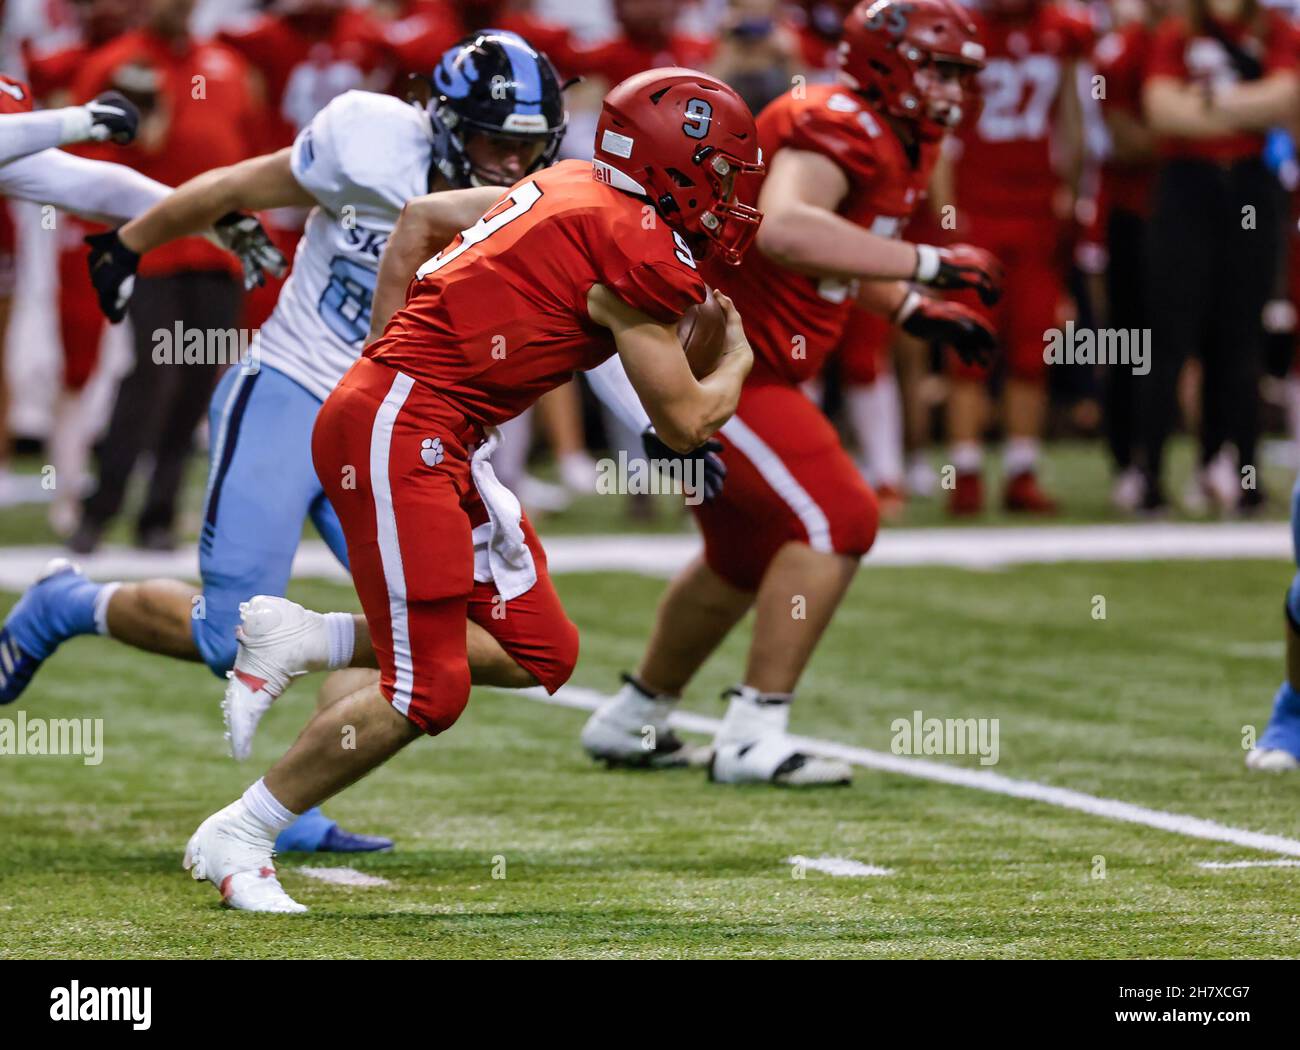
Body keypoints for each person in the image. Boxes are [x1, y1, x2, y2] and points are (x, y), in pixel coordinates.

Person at [181, 66, 761, 913]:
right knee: (432, 690)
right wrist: (740, 354)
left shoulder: (572, 185)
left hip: (433, 428)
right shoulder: (633, 239)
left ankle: (311, 638)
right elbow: (685, 424)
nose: (732, 193)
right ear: (678, 163)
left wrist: (389, 358)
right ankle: (242, 829)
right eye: (722, 172)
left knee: (543, 652)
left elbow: (419, 221)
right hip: (405, 426)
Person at [0, 32, 569, 853]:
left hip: (405, 430)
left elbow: (603, 326)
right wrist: (134, 242)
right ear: (444, 124)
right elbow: (238, 183)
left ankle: (295, 796)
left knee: (508, 644)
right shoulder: (367, 141)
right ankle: (67, 606)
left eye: (529, 148)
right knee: (227, 641)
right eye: (494, 143)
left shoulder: (553, 205)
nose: (512, 167)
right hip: (296, 390)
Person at [580, 0, 1000, 785]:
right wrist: (926, 266)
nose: (949, 87)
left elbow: (833, 255)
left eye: (957, 72)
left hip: (743, 360)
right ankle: (751, 732)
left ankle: (634, 716)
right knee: (841, 515)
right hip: (716, 363)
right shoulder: (837, 119)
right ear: (887, 62)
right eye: (938, 68)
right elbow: (785, 228)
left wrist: (911, 307)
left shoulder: (893, 131)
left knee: (741, 554)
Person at [66, 0, 264, 553]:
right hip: (152, 249)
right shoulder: (115, 63)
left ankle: (159, 514)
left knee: (199, 380)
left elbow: (251, 150)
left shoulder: (226, 66)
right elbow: (78, 159)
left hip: (218, 253)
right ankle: (100, 510)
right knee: (153, 376)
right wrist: (131, 141)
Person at [1140, 0, 1299, 514]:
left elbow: (1287, 99)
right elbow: (1160, 110)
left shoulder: (1272, 30)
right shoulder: (1175, 32)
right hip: (1188, 188)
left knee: (1240, 336)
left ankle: (1238, 468)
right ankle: (1151, 476)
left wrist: (1204, 102)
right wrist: (1242, 107)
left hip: (1250, 189)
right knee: (1169, 335)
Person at [941, 0, 1093, 516]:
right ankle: (965, 471)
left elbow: (1072, 116)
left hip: (1036, 210)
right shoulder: (962, 31)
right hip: (978, 210)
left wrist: (1071, 192)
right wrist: (948, 213)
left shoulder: (1063, 29)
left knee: (1033, 346)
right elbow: (944, 129)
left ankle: (1021, 469)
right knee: (968, 345)